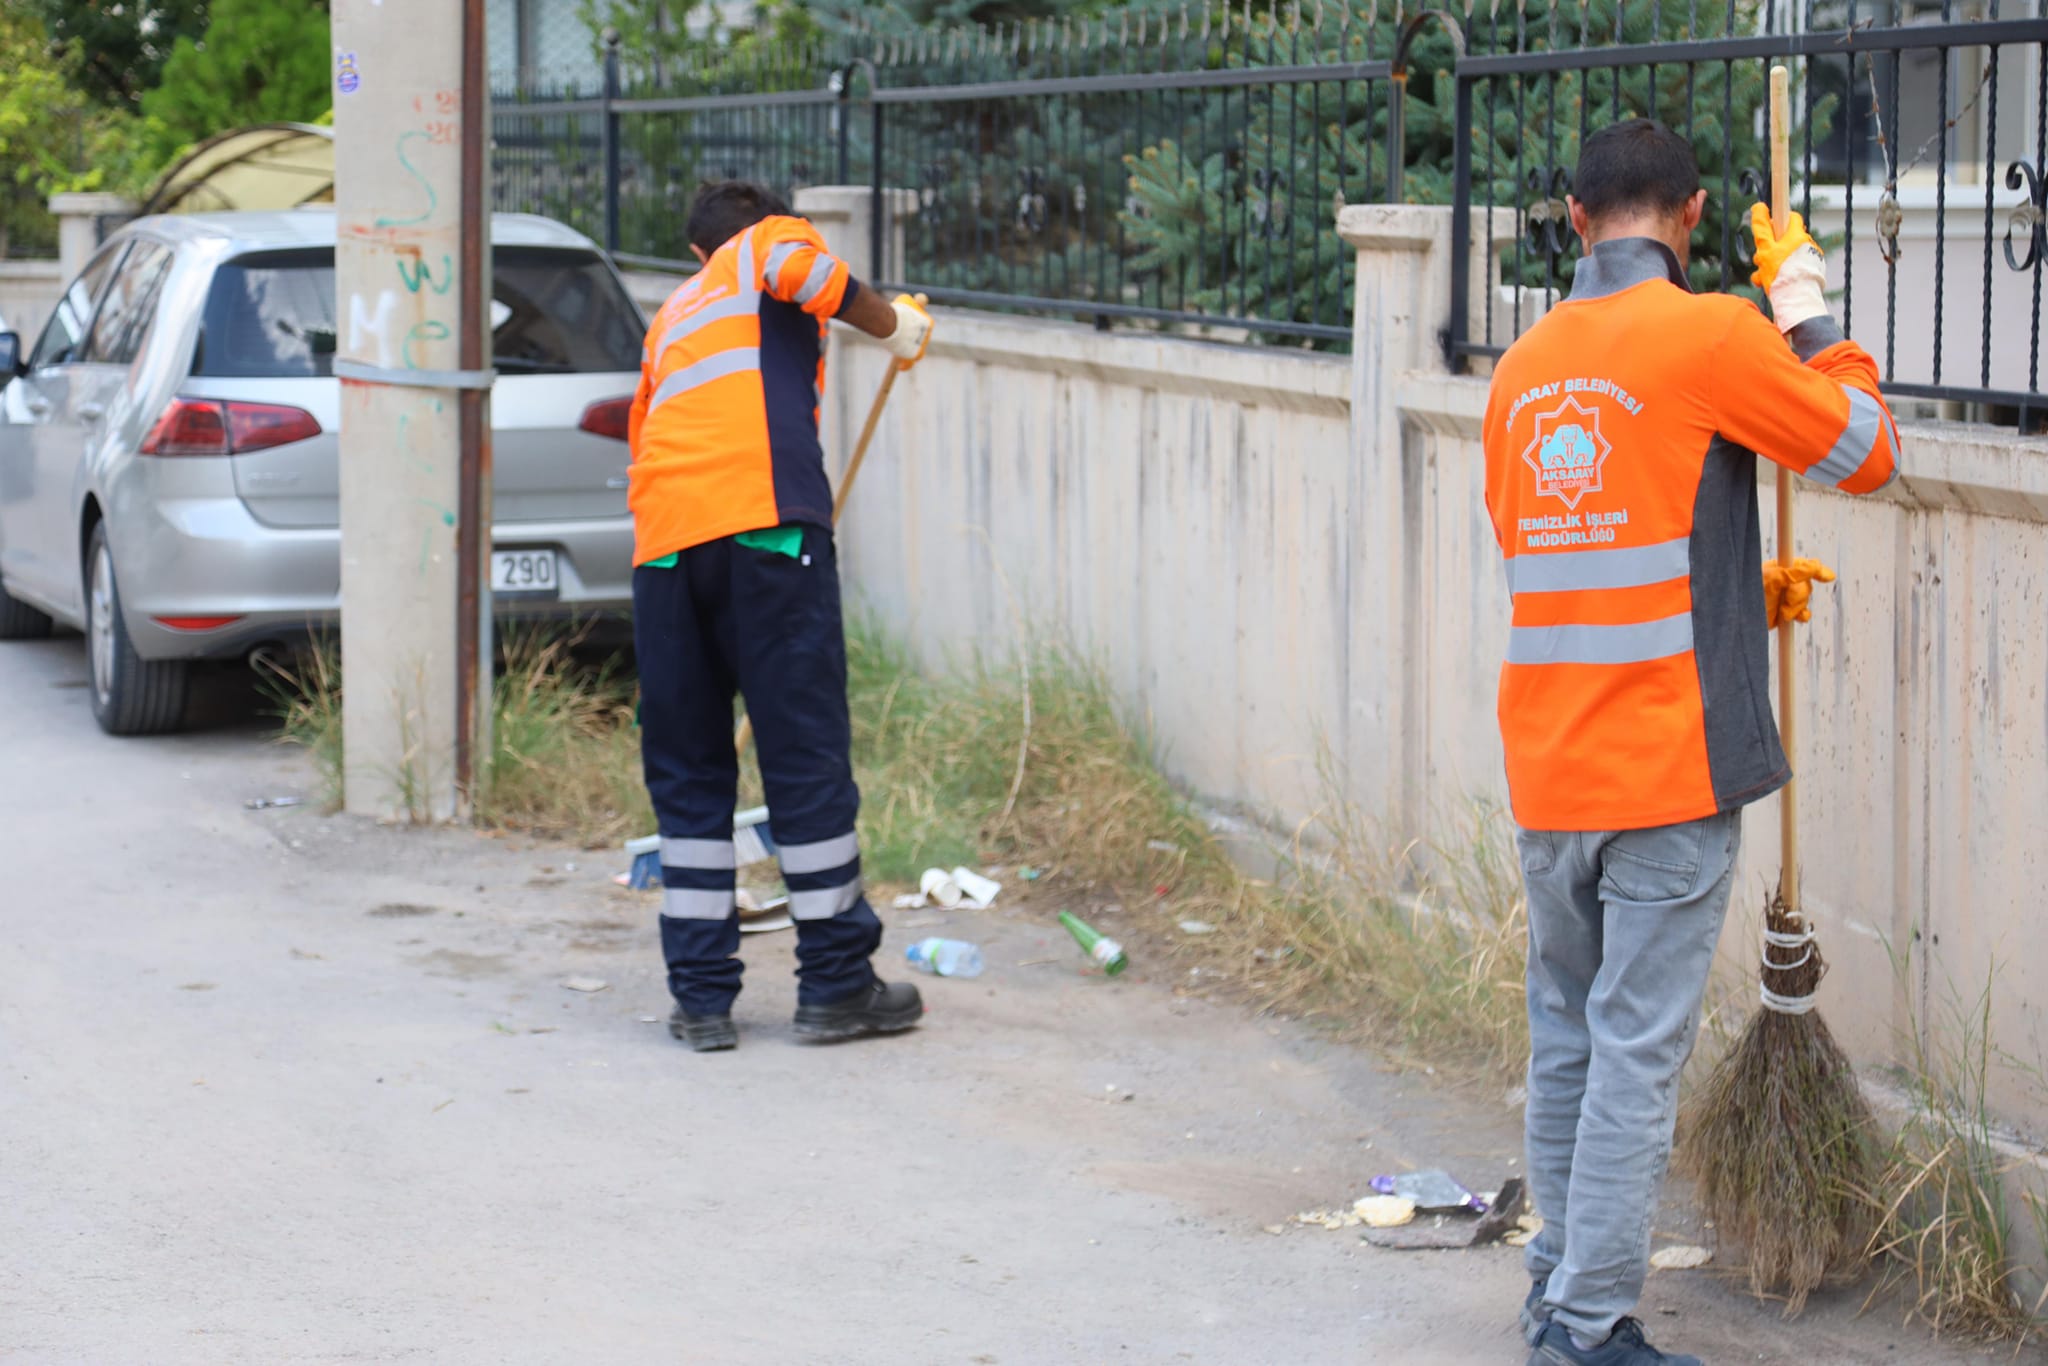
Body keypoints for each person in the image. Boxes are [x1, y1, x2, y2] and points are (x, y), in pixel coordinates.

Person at [1481, 119, 1899, 1365]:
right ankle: (1591, 1324)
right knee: (1634, 1050)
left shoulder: (1519, 371)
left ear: (1571, 219)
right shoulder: (1714, 331)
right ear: (1696, 213)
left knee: (1566, 1032)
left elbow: (1568, 554)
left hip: (1546, 769)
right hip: (1663, 770)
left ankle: (1553, 1278)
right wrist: (1806, 305)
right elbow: (1867, 451)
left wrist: (1732, 588)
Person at [626, 180, 935, 1052]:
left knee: (689, 773)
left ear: (691, 252)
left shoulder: (672, 317)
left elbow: (642, 435)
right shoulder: (763, 246)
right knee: (802, 758)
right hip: (765, 534)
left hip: (665, 555)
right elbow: (814, 277)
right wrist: (895, 327)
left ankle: (702, 1003)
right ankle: (837, 984)